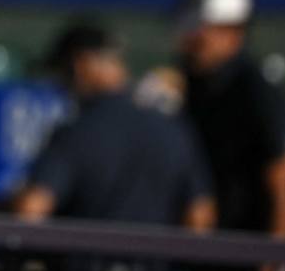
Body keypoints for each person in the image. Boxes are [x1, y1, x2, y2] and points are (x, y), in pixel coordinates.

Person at [14, 24, 215, 229]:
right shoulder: (174, 128)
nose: (62, 85)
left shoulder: (76, 133)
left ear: (80, 65)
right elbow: (200, 216)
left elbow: (31, 210)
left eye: (63, 74)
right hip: (158, 259)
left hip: (89, 257)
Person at [177, 0, 285, 237]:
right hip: (211, 245)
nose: (192, 44)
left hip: (248, 246)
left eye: (201, 35)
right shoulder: (194, 86)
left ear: (233, 32)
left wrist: (274, 262)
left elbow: (282, 177)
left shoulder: (255, 90)